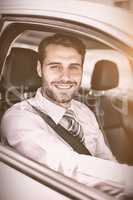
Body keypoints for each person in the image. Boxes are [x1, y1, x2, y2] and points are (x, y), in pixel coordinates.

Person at [1, 34, 133, 197]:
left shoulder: (84, 111)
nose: (66, 77)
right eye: (55, 66)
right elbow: (67, 165)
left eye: (74, 67)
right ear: (39, 69)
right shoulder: (18, 118)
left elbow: (103, 158)